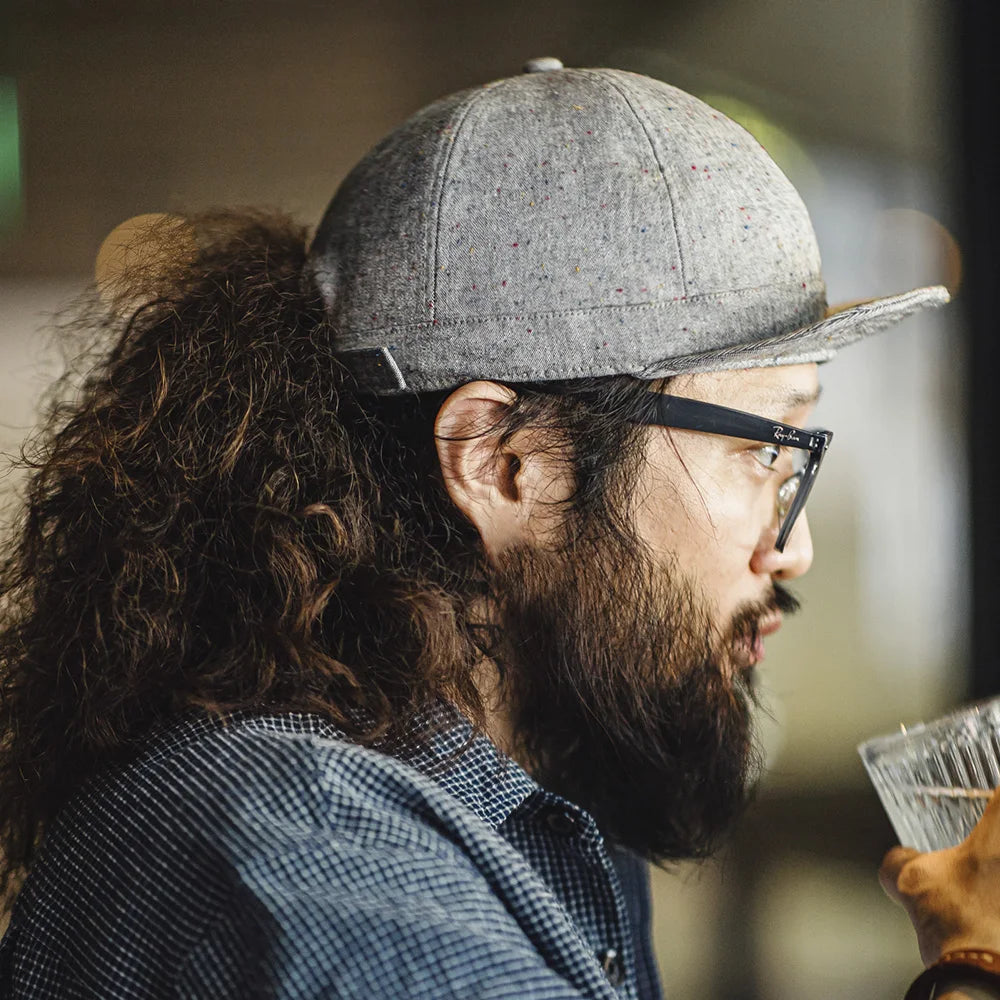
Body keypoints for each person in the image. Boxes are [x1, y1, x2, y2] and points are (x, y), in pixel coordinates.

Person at [0, 58, 991, 1000]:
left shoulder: (547, 782)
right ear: (501, 461)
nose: (793, 548)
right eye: (764, 449)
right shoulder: (301, 856)